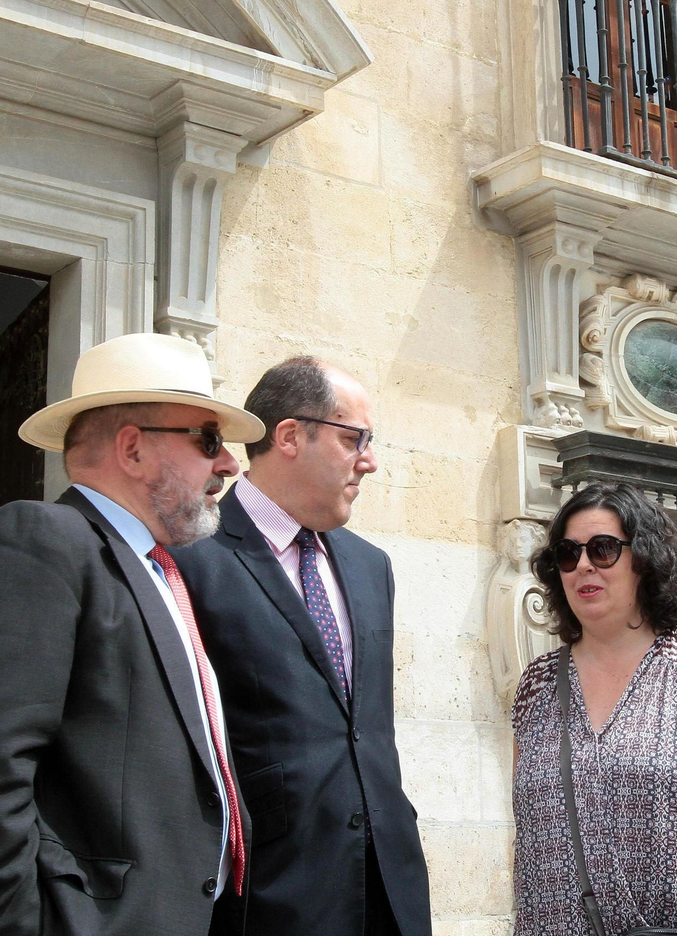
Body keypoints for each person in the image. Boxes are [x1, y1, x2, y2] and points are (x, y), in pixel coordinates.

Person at [0, 333, 263, 936]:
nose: (229, 463)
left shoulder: (159, 574)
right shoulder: (41, 540)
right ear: (132, 449)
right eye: (209, 440)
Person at [170, 357, 430, 936]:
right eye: (353, 438)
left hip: (392, 887)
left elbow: (364, 729)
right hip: (270, 894)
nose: (370, 460)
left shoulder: (371, 567)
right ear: (289, 435)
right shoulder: (191, 560)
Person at [511, 482, 677, 936]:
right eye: (567, 553)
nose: (583, 565)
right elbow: (524, 833)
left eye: (602, 549)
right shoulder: (538, 682)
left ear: (643, 559)